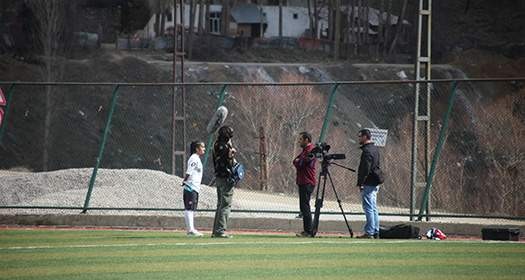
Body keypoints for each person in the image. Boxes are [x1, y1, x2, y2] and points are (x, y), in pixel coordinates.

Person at [356, 129, 384, 239]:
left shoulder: (367, 151)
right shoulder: (375, 149)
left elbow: (365, 169)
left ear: (365, 137)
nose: (358, 138)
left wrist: (361, 182)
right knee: (373, 207)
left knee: (368, 207)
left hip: (369, 182)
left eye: (360, 136)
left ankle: (369, 231)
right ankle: (375, 230)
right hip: (375, 181)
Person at [211, 126, 237, 238]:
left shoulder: (216, 145)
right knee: (225, 205)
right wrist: (231, 155)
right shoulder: (226, 148)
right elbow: (229, 163)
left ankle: (215, 230)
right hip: (226, 177)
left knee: (220, 204)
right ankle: (220, 230)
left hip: (218, 177)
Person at [292, 132, 317, 237]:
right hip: (303, 180)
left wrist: (299, 161)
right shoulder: (305, 151)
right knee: (303, 206)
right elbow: (295, 161)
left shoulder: (311, 150)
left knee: (305, 206)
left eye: (301, 139)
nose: (299, 141)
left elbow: (302, 163)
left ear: (307, 140)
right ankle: (307, 230)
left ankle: (308, 231)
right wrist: (298, 161)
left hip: (307, 181)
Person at [182, 141, 206, 237]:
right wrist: (184, 181)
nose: (204, 149)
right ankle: (190, 230)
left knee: (191, 208)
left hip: (194, 187)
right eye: (202, 147)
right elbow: (189, 172)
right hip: (191, 187)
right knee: (189, 208)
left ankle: (191, 229)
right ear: (197, 149)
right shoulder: (194, 158)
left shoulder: (197, 158)